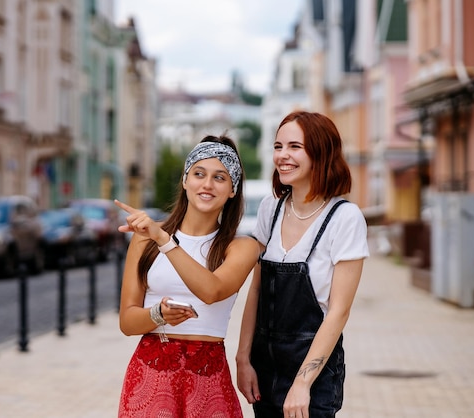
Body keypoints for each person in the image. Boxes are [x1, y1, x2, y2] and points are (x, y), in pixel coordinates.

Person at [236, 111, 370, 418]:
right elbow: (255, 290)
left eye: (294, 147)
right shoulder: (271, 208)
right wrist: (243, 359)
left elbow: (339, 311)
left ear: (320, 153)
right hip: (264, 368)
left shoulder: (345, 218)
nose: (282, 156)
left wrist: (302, 383)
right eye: (278, 146)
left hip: (315, 374)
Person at [116, 134, 259, 418]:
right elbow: (127, 322)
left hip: (208, 377)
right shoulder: (144, 240)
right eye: (199, 174)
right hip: (150, 374)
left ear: (233, 189)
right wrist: (158, 315)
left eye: (220, 177)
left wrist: (165, 240)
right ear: (185, 180)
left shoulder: (242, 247)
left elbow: (212, 290)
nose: (207, 184)